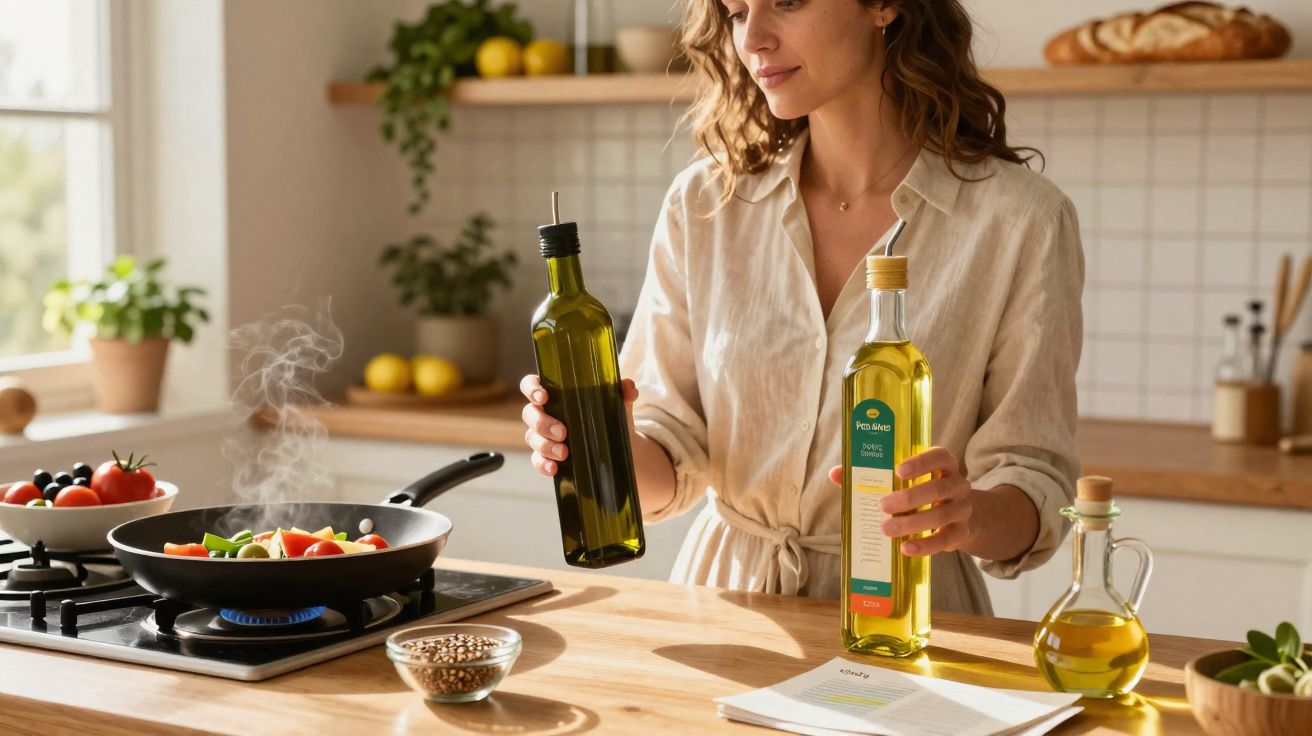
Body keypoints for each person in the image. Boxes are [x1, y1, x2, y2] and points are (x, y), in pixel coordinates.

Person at [519, 0, 1083, 615]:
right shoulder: (706, 203)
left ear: (884, 6)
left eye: (785, 3)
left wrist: (969, 515)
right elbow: (668, 467)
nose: (754, 38)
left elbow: (1034, 481)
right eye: (735, 13)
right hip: (728, 609)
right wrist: (607, 441)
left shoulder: (1021, 220)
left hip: (907, 614)